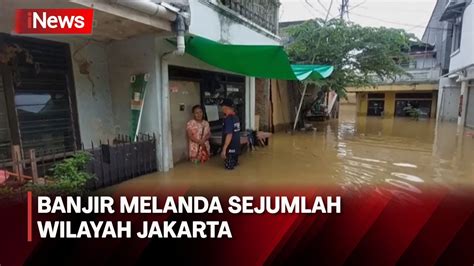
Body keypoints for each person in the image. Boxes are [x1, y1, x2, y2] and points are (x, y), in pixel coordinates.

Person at [220, 98, 241, 170]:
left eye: (222, 106)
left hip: (230, 147)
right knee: (235, 165)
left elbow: (229, 134)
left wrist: (224, 149)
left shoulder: (228, 119)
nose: (221, 108)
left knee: (228, 168)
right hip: (236, 147)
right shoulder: (236, 117)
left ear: (225, 107)